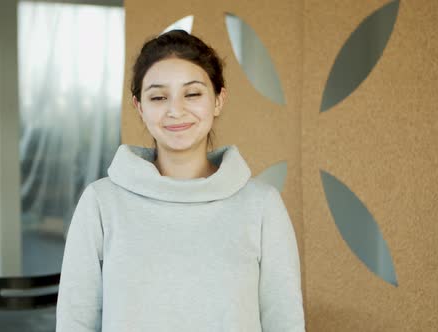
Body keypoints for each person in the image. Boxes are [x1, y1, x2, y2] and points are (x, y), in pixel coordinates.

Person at [56, 29, 305, 332]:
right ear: (140, 107)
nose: (176, 110)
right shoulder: (101, 203)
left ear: (218, 100)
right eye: (159, 97)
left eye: (193, 93)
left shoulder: (262, 205)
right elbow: (75, 321)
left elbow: (285, 321)